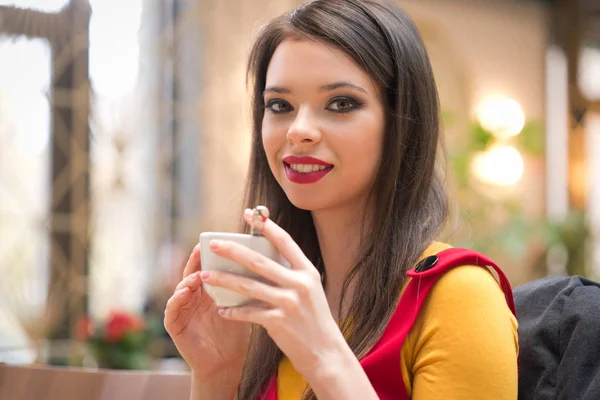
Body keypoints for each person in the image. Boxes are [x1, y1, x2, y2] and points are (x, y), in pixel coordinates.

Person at [164, 0, 519, 399]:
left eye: (341, 104)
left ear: (402, 122)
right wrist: (217, 373)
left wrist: (325, 358)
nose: (299, 130)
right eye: (280, 105)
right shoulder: (270, 306)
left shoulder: (459, 295)